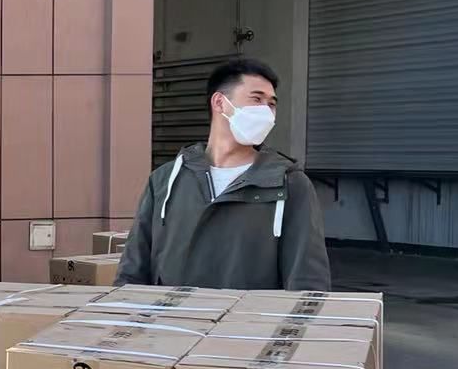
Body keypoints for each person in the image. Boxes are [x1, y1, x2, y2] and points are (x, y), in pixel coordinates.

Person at [116, 57, 331, 291]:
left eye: (271, 104)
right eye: (256, 99)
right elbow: (132, 271)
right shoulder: (165, 181)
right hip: (173, 314)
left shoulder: (289, 183)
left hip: (247, 315)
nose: (267, 112)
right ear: (220, 103)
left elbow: (308, 281)